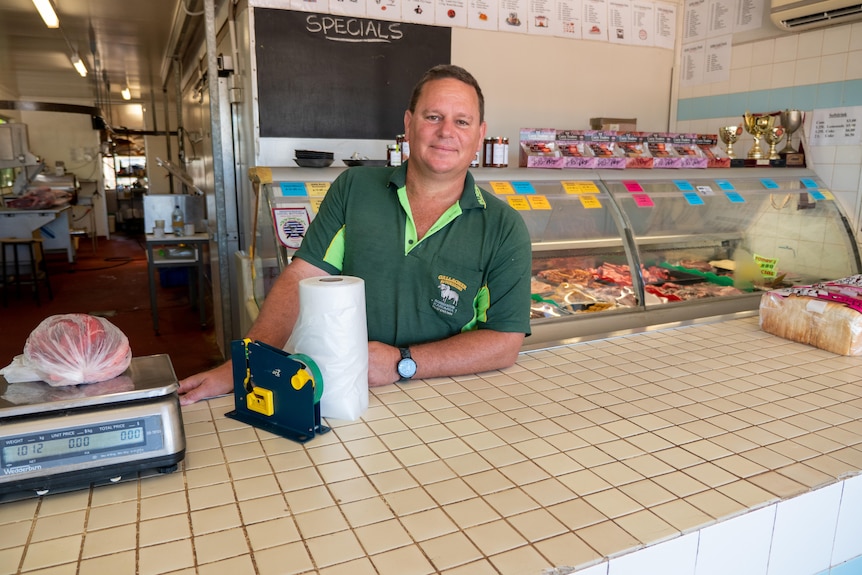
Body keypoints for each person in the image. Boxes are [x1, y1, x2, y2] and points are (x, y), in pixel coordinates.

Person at [178, 64, 532, 405]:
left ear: (480, 134)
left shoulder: (503, 226)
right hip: (348, 386)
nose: (446, 132)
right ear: (409, 124)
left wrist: (402, 362)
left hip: (452, 393)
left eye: (462, 121)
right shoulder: (354, 189)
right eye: (433, 116)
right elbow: (303, 276)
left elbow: (505, 342)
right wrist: (248, 364)